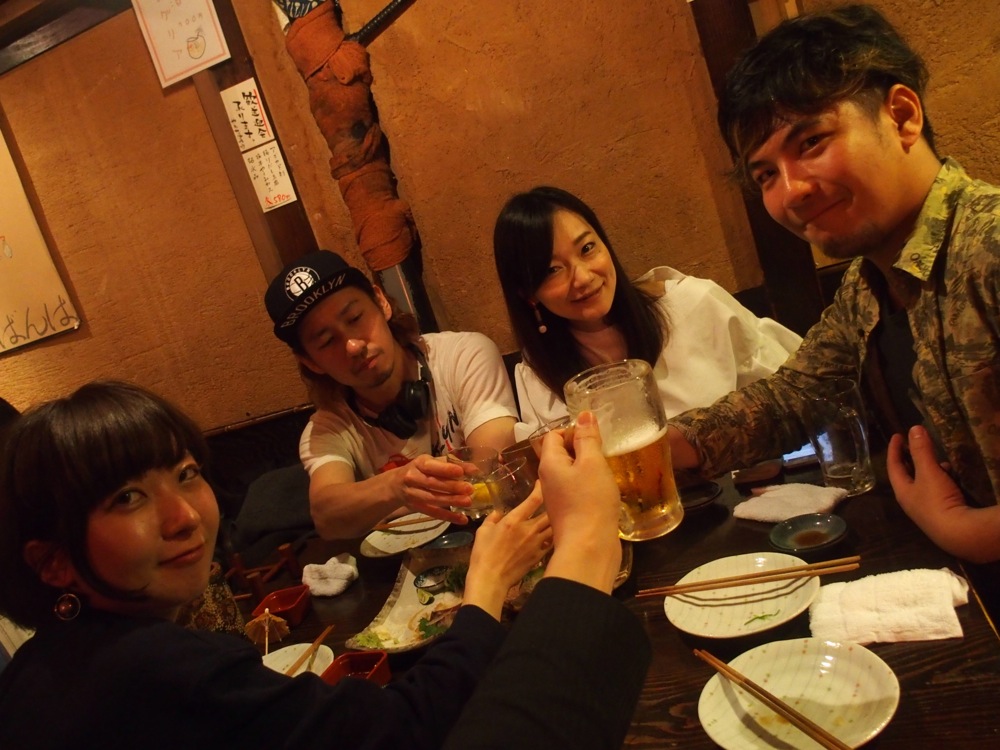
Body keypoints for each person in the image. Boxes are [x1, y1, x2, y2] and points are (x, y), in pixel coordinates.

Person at [0, 381, 647, 749]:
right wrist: (491, 584)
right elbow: (406, 733)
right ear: (52, 562)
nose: (183, 516)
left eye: (186, 473)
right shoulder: (152, 671)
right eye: (128, 498)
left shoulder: (39, 671)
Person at [666, 4, 1000, 563]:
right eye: (766, 174)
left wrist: (969, 533)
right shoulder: (867, 284)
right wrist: (651, 450)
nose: (791, 191)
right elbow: (793, 398)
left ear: (901, 116)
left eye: (811, 143)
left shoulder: (988, 248)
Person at [492, 186, 802, 437]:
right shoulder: (538, 375)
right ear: (528, 294)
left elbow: (796, 394)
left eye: (587, 248)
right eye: (552, 269)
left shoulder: (695, 305)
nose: (583, 278)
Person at [264, 250, 519, 539]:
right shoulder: (326, 429)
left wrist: (375, 507)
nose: (353, 346)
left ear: (381, 301)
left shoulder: (464, 356)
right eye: (326, 340)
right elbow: (327, 517)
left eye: (355, 318)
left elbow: (491, 467)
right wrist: (396, 485)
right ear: (310, 362)